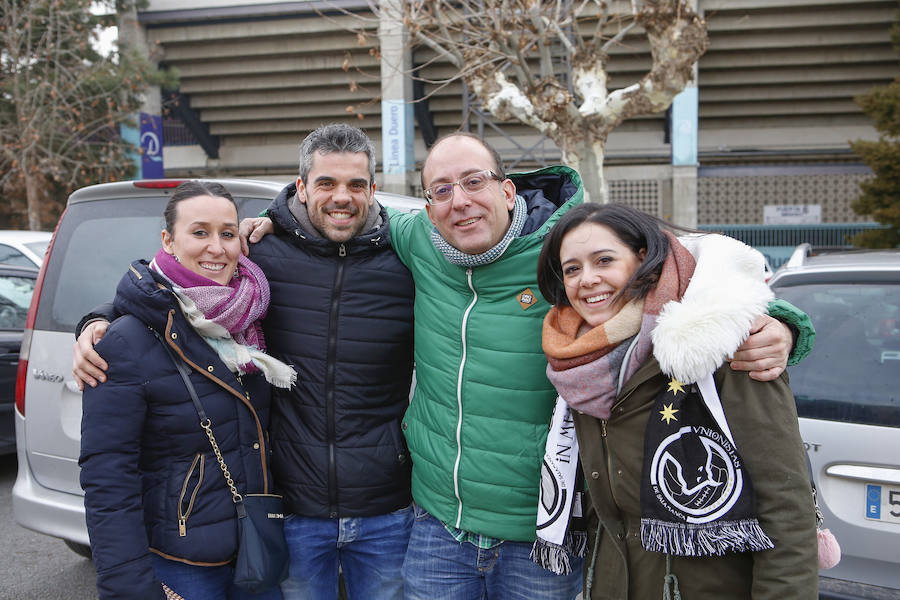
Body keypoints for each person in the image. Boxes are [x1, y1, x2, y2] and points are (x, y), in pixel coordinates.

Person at [203, 131, 812, 599]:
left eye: (474, 182)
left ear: (508, 188)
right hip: (438, 527)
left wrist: (784, 322)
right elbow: (311, 230)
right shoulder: (415, 242)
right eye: (441, 190)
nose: (460, 201)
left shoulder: (565, 251)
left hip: (541, 539)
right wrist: (270, 225)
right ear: (427, 203)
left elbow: (701, 265)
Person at [74, 124, 416, 600]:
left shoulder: (406, 260)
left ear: (373, 190)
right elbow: (167, 296)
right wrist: (97, 320)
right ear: (301, 187)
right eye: (326, 183)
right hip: (291, 514)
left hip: (385, 509)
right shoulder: (267, 260)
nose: (342, 196)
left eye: (356, 184)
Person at [535, 202, 818, 599]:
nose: (588, 279)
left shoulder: (724, 347)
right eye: (572, 269)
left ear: (642, 258)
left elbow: (786, 510)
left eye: (604, 260)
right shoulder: (578, 365)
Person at [79, 181, 295, 600]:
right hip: (183, 566)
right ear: (168, 240)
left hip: (257, 549)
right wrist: (130, 587)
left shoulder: (251, 317)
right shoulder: (126, 341)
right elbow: (108, 480)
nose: (216, 247)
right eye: (200, 232)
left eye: (227, 233)